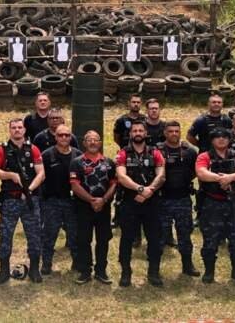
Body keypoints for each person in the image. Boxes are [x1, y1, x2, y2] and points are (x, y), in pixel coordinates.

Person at [0, 118, 46, 284]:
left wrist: (29, 189)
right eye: (13, 128)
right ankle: (4, 270)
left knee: (34, 234)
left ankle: (34, 269)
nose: (16, 130)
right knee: (5, 235)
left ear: (24, 130)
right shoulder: (3, 149)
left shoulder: (33, 149)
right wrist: (11, 175)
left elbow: (41, 174)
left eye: (19, 127)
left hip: (30, 199)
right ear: (10, 130)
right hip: (10, 200)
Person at [195, 128, 235, 284]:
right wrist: (222, 179)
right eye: (217, 137)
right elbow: (201, 173)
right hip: (212, 204)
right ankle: (209, 272)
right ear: (212, 140)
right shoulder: (204, 156)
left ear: (229, 140)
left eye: (225, 137)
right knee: (210, 239)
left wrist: (229, 177)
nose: (221, 139)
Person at [115, 121, 166, 287]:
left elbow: (161, 175)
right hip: (129, 201)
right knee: (127, 239)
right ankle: (126, 273)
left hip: (152, 201)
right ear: (130, 134)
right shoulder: (123, 153)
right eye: (134, 130)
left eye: (140, 130)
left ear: (145, 133)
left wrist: (149, 190)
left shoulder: (155, 152)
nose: (137, 133)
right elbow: (122, 176)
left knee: (154, 238)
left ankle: (153, 272)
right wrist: (140, 189)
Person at [70, 131, 116, 285]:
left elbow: (114, 183)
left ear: (100, 142)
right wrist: (91, 200)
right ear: (84, 143)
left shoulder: (109, 162)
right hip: (83, 207)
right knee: (83, 240)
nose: (92, 142)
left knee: (103, 240)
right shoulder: (76, 162)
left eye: (95, 140)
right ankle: (85, 271)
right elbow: (75, 186)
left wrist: (103, 200)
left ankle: (101, 271)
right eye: (89, 140)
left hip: (104, 208)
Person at [157, 121, 200, 276]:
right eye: (170, 131)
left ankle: (188, 266)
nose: (174, 134)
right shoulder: (157, 151)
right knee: (159, 235)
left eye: (177, 131)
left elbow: (196, 171)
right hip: (162, 199)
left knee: (185, 234)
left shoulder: (190, 151)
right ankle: (154, 270)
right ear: (165, 133)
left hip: (183, 199)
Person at [40, 124, 82, 275]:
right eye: (60, 135)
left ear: (71, 137)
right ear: (55, 137)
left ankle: (77, 263)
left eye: (67, 135)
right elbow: (40, 178)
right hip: (52, 201)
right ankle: (46, 264)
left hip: (72, 202)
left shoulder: (78, 155)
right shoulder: (46, 155)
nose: (64, 138)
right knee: (49, 235)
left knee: (74, 235)